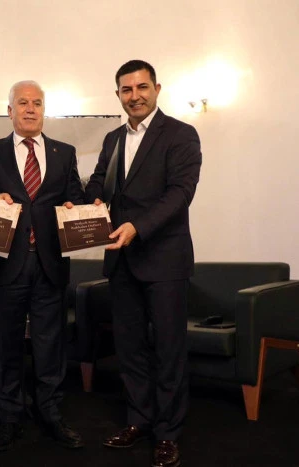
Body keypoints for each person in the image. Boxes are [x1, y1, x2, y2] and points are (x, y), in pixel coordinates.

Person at [85, 60, 202, 467]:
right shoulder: (113, 138)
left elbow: (180, 193)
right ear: (118, 94)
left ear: (157, 89)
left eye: (142, 87)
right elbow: (99, 181)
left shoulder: (181, 134)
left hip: (165, 259)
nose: (134, 96)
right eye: (126, 89)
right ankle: (139, 420)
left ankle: (167, 433)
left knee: (169, 350)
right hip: (122, 261)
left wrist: (138, 226)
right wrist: (90, 200)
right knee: (129, 348)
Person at [0, 80, 86, 451]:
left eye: (37, 102)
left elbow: (76, 198)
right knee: (7, 345)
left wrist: (75, 207)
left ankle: (51, 413)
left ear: (44, 109)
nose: (31, 109)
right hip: (8, 264)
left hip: (51, 264)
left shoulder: (65, 153)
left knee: (51, 345)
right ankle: (9, 418)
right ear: (10, 111)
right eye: (23, 102)